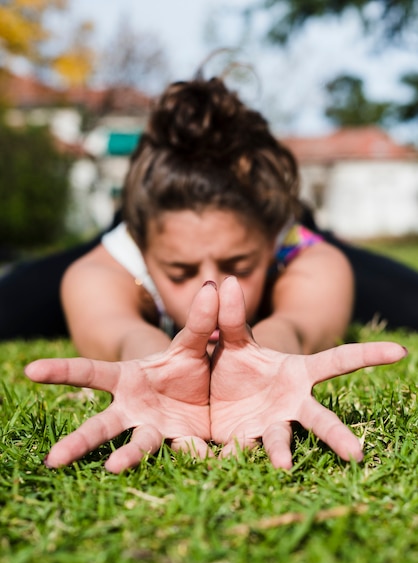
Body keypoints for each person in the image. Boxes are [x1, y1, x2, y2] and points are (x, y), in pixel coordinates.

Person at [3, 76, 410, 472]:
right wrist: (155, 363)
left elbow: (299, 324)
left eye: (238, 266)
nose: (208, 290)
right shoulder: (113, 261)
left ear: (269, 247)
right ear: (145, 256)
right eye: (181, 271)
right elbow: (119, 328)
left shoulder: (295, 247)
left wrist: (263, 357)